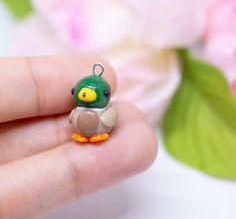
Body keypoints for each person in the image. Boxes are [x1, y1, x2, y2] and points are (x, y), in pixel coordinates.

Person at [0, 55, 157, 218]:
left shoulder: (105, 111)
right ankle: (86, 136)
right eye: (80, 92)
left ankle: (97, 135)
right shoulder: (77, 110)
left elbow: (111, 118)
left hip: (99, 127)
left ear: (105, 94)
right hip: (81, 127)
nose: (85, 95)